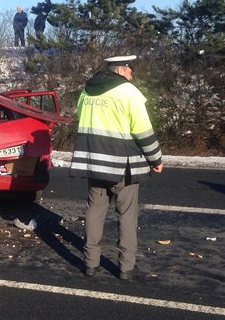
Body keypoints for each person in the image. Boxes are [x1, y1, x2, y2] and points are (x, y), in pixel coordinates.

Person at [69, 55, 163, 280]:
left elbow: (83, 121)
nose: (132, 73)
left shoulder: (87, 92)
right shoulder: (128, 92)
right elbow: (142, 130)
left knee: (94, 212)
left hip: (95, 163)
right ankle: (126, 268)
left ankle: (90, 264)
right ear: (120, 70)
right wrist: (156, 159)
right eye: (130, 68)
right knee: (127, 215)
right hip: (123, 166)